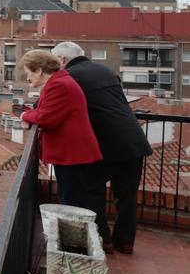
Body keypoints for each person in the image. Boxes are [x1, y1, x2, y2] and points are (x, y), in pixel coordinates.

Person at [53, 41, 153, 253]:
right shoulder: (106, 71)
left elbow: (52, 105)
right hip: (134, 140)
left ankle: (103, 240)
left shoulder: (69, 77)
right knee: (126, 196)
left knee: (92, 190)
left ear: (62, 59)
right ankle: (125, 243)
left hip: (106, 142)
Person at [19, 49, 101, 207]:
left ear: (39, 70)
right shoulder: (59, 82)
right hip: (72, 152)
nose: (28, 77)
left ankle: (72, 231)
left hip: (73, 153)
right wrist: (31, 115)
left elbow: (46, 118)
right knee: (70, 196)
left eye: (28, 72)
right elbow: (44, 112)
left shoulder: (59, 85)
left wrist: (24, 116)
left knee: (72, 200)